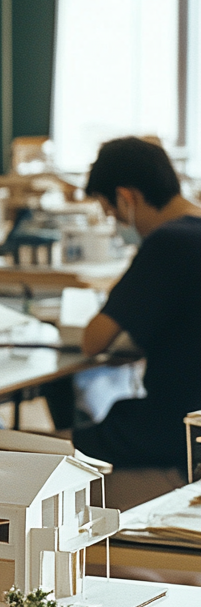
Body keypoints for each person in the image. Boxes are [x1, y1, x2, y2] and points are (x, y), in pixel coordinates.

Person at [76, 136, 201, 473]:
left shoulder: (169, 242)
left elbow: (94, 340)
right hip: (193, 421)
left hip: (177, 428)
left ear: (127, 196)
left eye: (112, 212)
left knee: (66, 447)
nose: (118, 226)